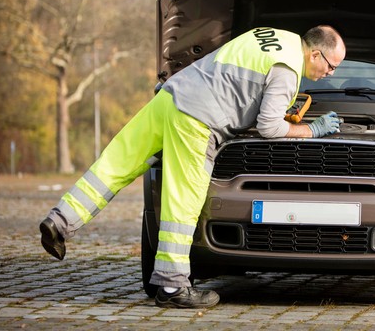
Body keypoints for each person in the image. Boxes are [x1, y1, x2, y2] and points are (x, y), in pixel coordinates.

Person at [39, 25, 346, 309]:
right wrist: (313, 130)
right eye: (331, 66)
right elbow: (269, 127)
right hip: (197, 119)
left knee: (117, 161)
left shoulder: (271, 35)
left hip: (173, 96)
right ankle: (172, 288)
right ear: (315, 53)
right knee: (184, 202)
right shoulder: (289, 69)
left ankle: (59, 222)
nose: (330, 73)